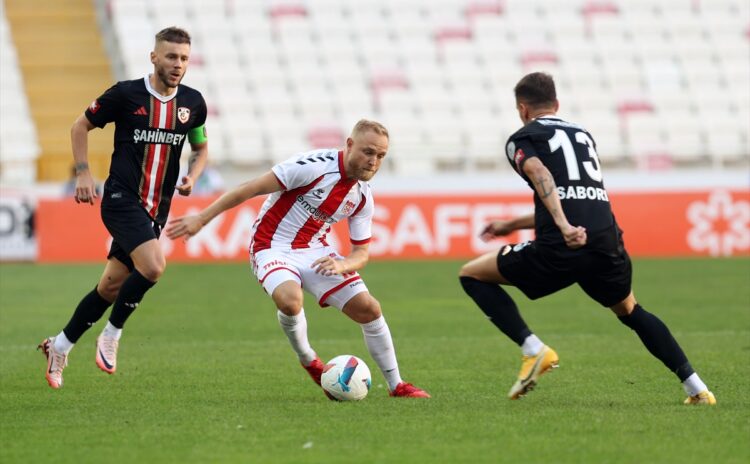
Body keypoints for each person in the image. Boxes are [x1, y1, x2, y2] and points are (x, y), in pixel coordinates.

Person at [459, 72, 715, 405]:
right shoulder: (583, 135)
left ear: (523, 109)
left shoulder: (523, 137)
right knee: (630, 310)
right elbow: (575, 194)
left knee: (471, 274)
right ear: (557, 104)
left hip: (562, 244)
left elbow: (541, 175)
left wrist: (564, 227)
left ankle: (534, 350)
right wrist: (513, 223)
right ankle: (697, 388)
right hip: (605, 240)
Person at [165, 119, 430, 399]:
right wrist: (201, 218)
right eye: (368, 152)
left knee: (369, 309)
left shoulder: (362, 197)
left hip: (316, 251)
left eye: (380, 156)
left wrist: (343, 264)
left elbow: (361, 253)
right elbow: (250, 188)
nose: (373, 161)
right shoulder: (312, 166)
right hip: (271, 245)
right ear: (349, 145)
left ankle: (396, 385)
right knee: (290, 301)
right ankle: (309, 360)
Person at [38, 27, 209, 389]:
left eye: (183, 58)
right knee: (154, 265)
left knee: (110, 288)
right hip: (120, 198)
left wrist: (193, 175)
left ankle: (59, 345)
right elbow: (80, 126)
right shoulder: (126, 94)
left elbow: (200, 147)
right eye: (170, 56)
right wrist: (83, 173)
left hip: (156, 208)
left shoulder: (193, 104)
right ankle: (111, 335)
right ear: (154, 57)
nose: (177, 64)